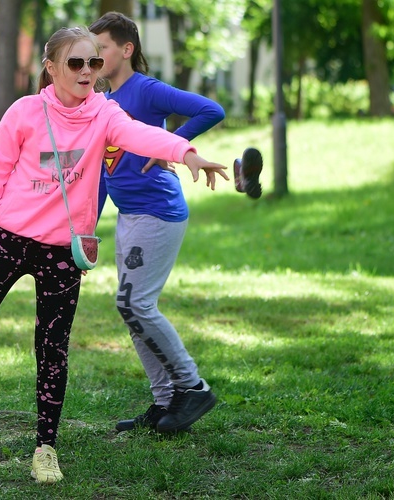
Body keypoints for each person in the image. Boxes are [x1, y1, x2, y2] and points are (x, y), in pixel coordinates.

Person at [0, 26, 228, 484]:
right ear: (51, 68)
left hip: (62, 251)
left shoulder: (105, 114)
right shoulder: (24, 113)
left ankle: (45, 447)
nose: (88, 71)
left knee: (52, 350)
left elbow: (139, 135)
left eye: (94, 62)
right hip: (8, 240)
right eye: (76, 63)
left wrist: (186, 151)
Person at [88, 11, 227, 435]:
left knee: (135, 304)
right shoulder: (102, 102)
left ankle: (193, 388)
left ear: (126, 50)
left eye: (101, 51)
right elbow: (100, 172)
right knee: (130, 308)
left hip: (158, 211)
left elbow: (211, 108)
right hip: (130, 216)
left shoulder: (145, 90)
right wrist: (86, 228)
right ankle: (166, 402)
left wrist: (173, 144)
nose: (93, 61)